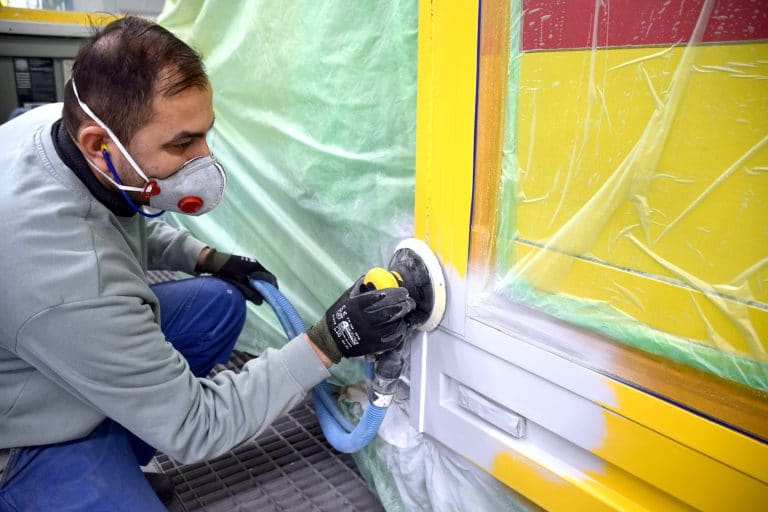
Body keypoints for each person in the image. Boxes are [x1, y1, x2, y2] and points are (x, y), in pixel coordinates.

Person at [0, 16, 414, 511]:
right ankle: (53, 467)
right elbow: (199, 426)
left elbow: (114, 219)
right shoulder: (71, 277)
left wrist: (207, 258)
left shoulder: (54, 130)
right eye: (181, 144)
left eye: (204, 135)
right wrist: (329, 341)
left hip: (58, 339)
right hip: (22, 425)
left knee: (216, 304)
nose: (205, 160)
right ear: (98, 144)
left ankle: (128, 430)